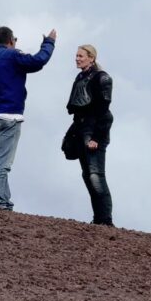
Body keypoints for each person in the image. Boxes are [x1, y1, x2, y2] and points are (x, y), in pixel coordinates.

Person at [0, 25, 57, 210]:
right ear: (11, 41)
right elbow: (38, 61)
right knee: (2, 164)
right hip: (9, 116)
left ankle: (4, 201)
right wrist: (49, 42)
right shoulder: (13, 56)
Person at [66, 44, 113, 226]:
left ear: (91, 58)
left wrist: (97, 138)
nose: (77, 58)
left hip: (93, 130)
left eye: (81, 56)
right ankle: (98, 219)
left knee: (96, 175)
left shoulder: (102, 78)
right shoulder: (80, 77)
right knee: (87, 175)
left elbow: (105, 112)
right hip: (81, 128)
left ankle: (105, 220)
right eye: (76, 55)